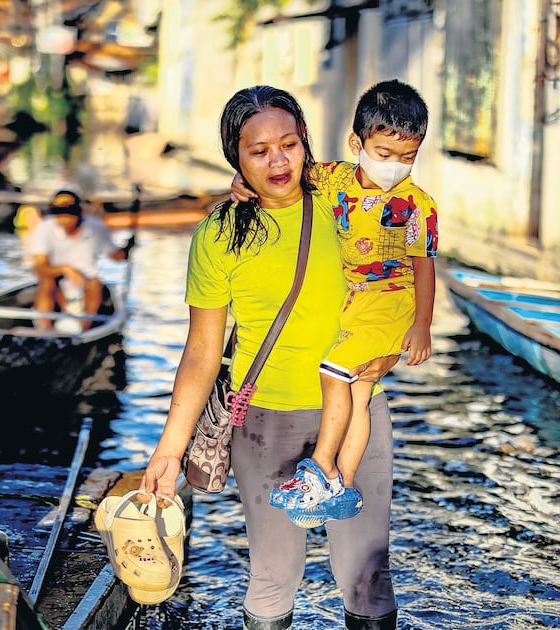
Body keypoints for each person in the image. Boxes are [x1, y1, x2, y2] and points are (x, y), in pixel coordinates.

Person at [139, 85, 400, 630]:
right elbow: (203, 351)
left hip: (357, 413)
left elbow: (402, 278)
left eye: (289, 143)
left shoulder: (347, 202)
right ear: (236, 158)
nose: (278, 160)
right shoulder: (219, 232)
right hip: (264, 422)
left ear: (307, 142)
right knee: (274, 574)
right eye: (258, 151)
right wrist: (169, 447)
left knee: (366, 575)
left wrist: (392, 350)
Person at [265, 79, 439, 521]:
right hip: (356, 303)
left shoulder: (417, 205)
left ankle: (320, 468)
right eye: (384, 154)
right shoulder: (337, 178)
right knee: (359, 393)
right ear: (356, 143)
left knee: (334, 371)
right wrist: (240, 181)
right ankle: (341, 484)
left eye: (408, 157)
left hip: (391, 303)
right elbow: (293, 174)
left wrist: (422, 326)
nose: (395, 166)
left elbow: (424, 266)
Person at [27, 190, 134, 330]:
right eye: (58, 212)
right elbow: (40, 267)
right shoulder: (45, 228)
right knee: (46, 281)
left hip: (88, 284)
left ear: (78, 211)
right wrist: (65, 269)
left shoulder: (96, 227)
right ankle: (43, 329)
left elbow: (117, 257)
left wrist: (128, 248)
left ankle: (85, 330)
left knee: (95, 283)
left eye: (69, 211)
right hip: (57, 282)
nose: (64, 217)